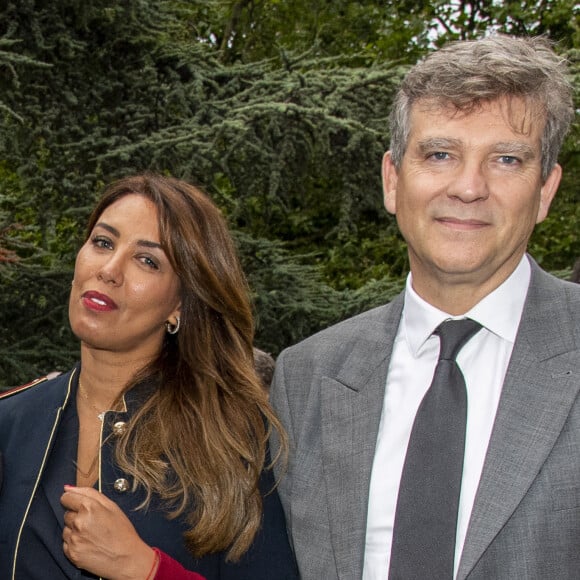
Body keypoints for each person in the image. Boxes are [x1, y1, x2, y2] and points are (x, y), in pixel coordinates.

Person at [270, 34, 578, 580]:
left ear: (545, 191)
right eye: (440, 154)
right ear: (393, 180)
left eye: (506, 159)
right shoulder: (309, 376)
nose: (468, 186)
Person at [0, 174, 299, 579]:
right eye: (102, 243)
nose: (108, 270)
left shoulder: (233, 439)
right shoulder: (12, 422)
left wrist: (145, 570)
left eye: (147, 261)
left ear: (180, 305)